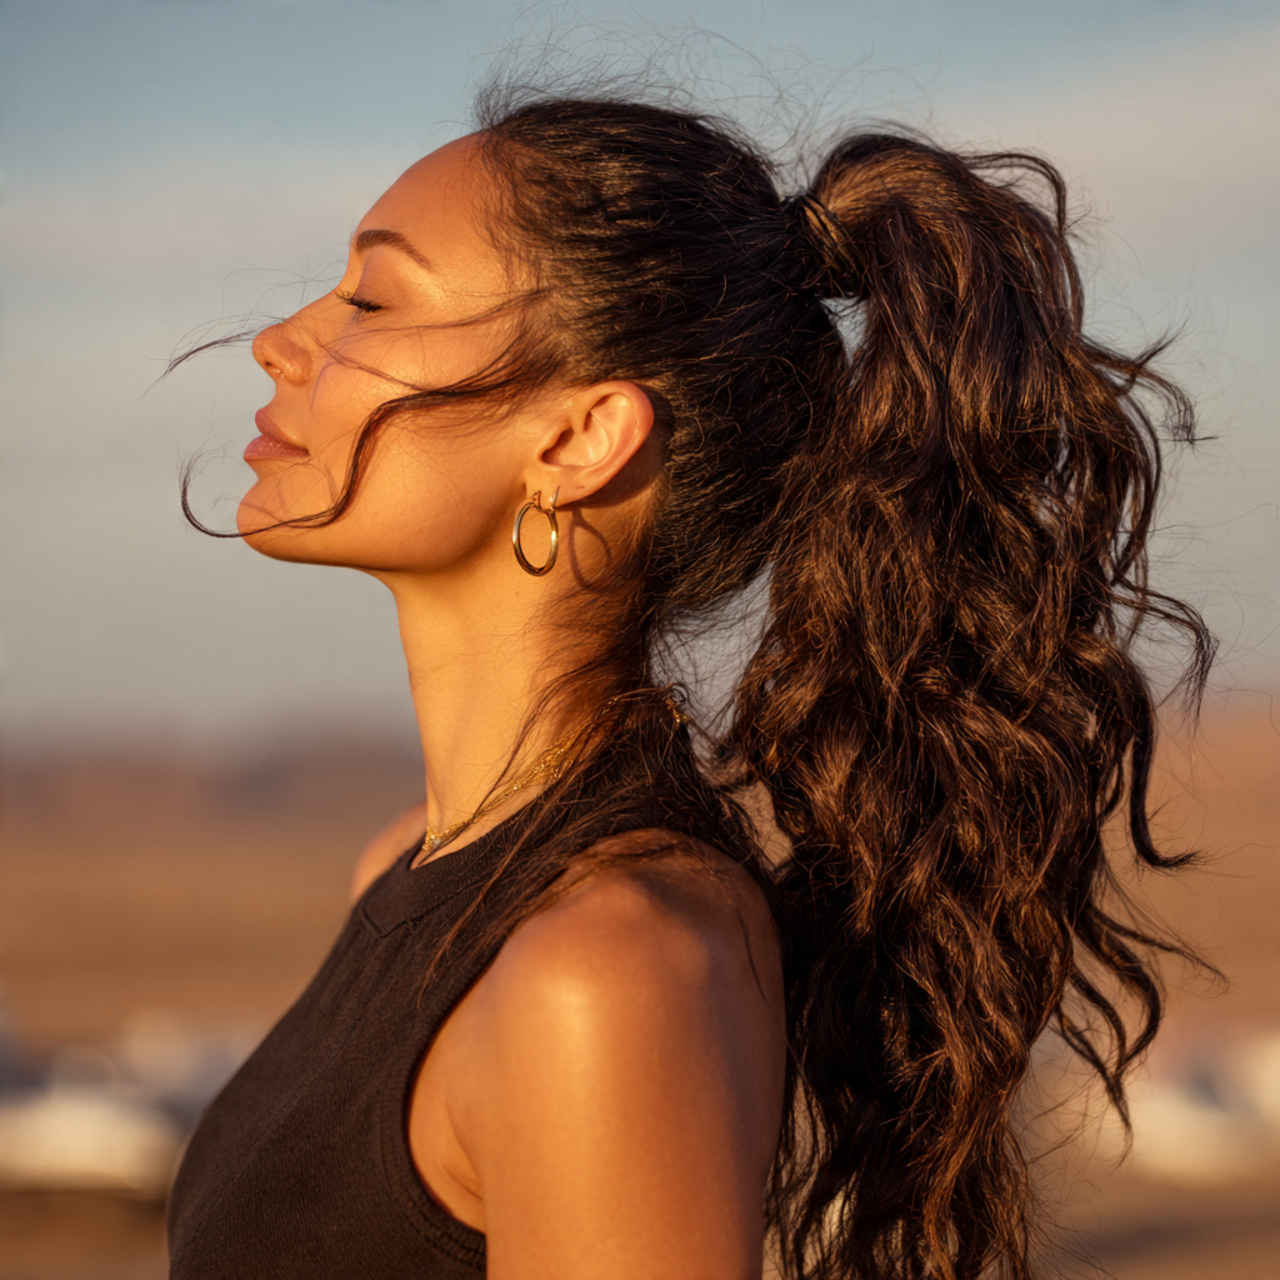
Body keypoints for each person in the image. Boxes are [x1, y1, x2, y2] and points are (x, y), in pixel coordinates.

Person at [165, 88, 1211, 1280]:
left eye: (371, 297)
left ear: (580, 438)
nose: (280, 338)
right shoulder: (411, 871)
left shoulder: (606, 966)